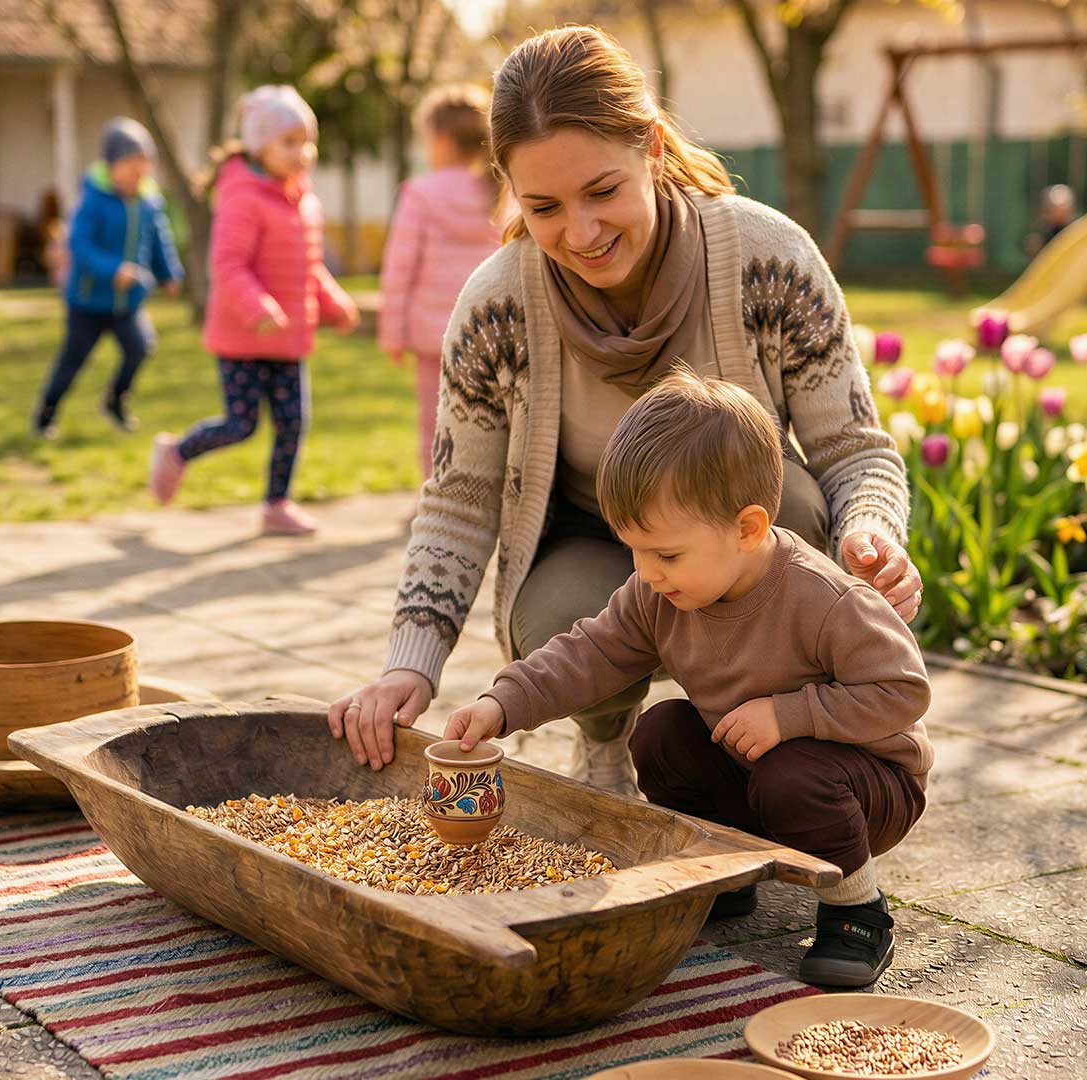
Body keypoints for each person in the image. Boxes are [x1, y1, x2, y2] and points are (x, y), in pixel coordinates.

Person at [328, 25, 924, 795]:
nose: (581, 233)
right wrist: (411, 665)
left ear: (649, 148)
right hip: (591, 544)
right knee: (554, 620)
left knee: (801, 511)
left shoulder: (766, 258)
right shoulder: (496, 308)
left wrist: (872, 528)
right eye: (543, 207)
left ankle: (767, 743)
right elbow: (458, 503)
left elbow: (855, 450)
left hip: (748, 542)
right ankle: (606, 742)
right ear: (509, 190)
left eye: (603, 191)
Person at [445, 371, 931, 987]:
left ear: (748, 529)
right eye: (634, 551)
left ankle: (858, 910)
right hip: (756, 773)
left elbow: (904, 690)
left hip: (867, 788)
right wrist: (502, 704)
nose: (647, 573)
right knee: (661, 733)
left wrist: (789, 716)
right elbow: (588, 652)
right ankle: (723, 868)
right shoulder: (659, 595)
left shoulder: (825, 598)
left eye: (666, 555)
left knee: (793, 774)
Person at [148, 86, 359, 536]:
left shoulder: (306, 204)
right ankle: (176, 452)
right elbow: (227, 265)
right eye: (290, 141)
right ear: (260, 145)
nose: (303, 152)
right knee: (241, 424)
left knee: (292, 423)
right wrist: (257, 306)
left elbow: (310, 268)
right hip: (243, 337)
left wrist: (333, 304)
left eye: (307, 141)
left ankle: (276, 503)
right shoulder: (242, 197)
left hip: (289, 338)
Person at [378, 84, 502, 482]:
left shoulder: (420, 194)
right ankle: (485, 490)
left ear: (443, 140)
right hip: (488, 332)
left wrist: (392, 333)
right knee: (488, 418)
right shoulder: (500, 190)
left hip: (433, 336)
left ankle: (436, 493)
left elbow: (399, 270)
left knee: (434, 420)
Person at [33, 118, 183, 439]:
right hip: (89, 300)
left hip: (127, 302)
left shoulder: (149, 202)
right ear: (112, 165)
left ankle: (116, 400)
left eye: (143, 163)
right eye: (130, 163)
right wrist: (112, 269)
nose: (138, 171)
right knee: (73, 360)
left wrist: (169, 273)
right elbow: (79, 245)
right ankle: (47, 412)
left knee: (140, 347)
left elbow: (159, 240)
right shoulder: (93, 199)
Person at [1025, 183, 1078, 257]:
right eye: (1054, 210)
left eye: (1062, 210)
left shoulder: (1077, 233)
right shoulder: (1042, 233)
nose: (1059, 214)